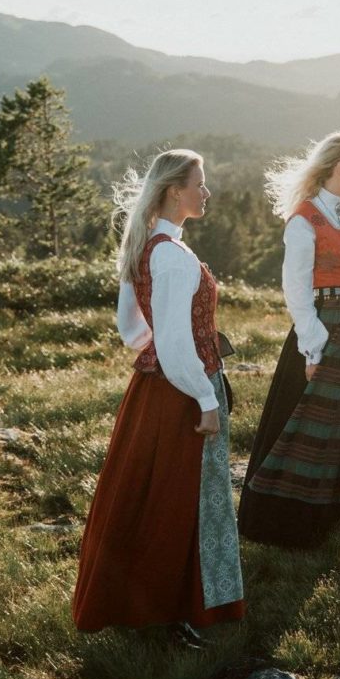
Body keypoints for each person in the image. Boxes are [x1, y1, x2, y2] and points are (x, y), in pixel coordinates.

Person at [73, 149, 244, 642]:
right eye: (200, 183)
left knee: (151, 496)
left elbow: (132, 327)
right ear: (175, 190)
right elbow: (172, 343)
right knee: (183, 500)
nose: (206, 192)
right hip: (180, 395)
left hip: (154, 390)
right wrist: (205, 399)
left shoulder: (149, 244)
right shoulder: (170, 256)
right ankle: (176, 610)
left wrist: (160, 357)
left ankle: (146, 606)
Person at [237, 131, 340, 548]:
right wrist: (314, 345)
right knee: (306, 427)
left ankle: (332, 516)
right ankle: (286, 523)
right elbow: (296, 289)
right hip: (329, 330)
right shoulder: (304, 220)